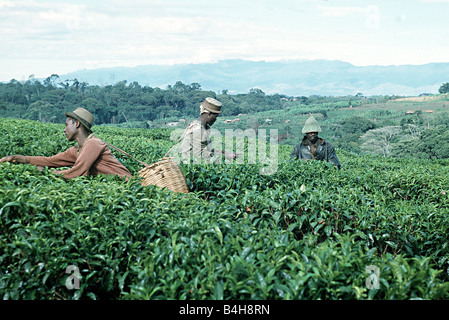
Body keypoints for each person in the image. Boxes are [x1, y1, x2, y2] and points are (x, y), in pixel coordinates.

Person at [0, 107, 133, 180]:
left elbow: (77, 172)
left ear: (77, 124)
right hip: (111, 186)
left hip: (127, 186)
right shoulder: (76, 150)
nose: (64, 129)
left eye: (66, 125)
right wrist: (18, 158)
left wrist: (46, 173)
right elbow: (49, 161)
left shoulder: (93, 144)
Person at [178, 97, 239, 163]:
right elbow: (199, 156)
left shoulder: (200, 126)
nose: (215, 120)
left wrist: (224, 152)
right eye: (215, 117)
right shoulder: (198, 130)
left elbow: (204, 149)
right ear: (209, 114)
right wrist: (225, 156)